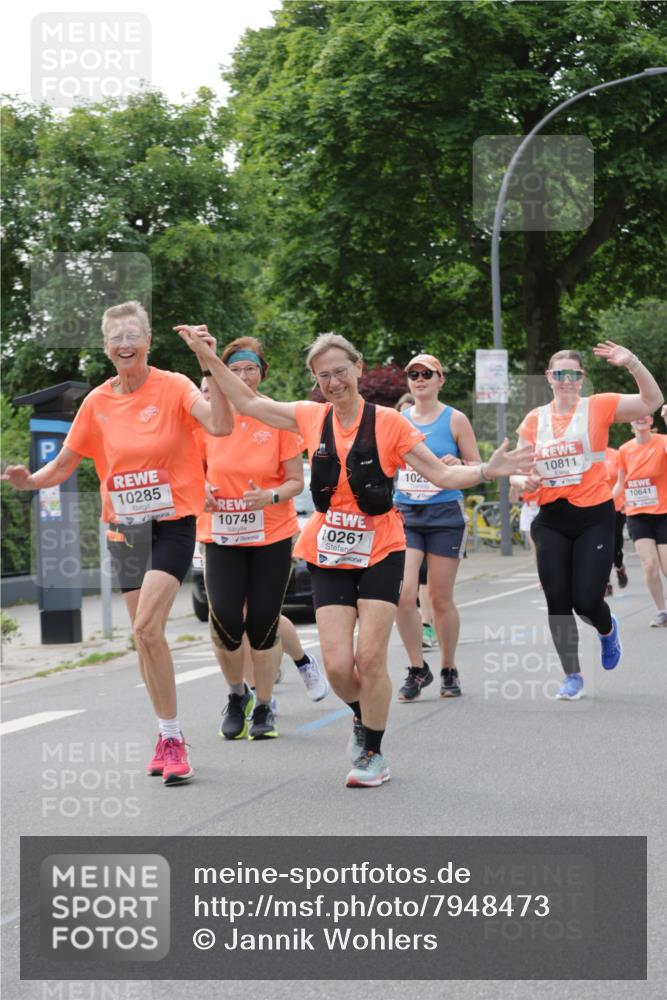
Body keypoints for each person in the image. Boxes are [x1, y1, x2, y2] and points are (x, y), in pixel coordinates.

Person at [175, 325, 532, 787]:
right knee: (340, 667)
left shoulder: (389, 423)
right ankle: (366, 715)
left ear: (358, 368)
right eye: (323, 376)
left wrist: (486, 469)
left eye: (340, 371)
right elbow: (246, 403)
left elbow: (442, 476)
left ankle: (373, 753)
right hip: (327, 552)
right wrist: (207, 357)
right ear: (315, 380)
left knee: (369, 659)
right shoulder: (308, 416)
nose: (333, 382)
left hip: (381, 548)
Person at [2, 302, 233, 784]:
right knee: (143, 639)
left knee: (149, 627)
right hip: (124, 528)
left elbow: (220, 425)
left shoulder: (173, 386)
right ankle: (164, 732)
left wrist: (210, 361)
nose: (124, 344)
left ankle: (172, 738)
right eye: (115, 338)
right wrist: (29, 482)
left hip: (171, 522)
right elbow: (64, 465)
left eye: (132, 335)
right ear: (106, 348)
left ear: (148, 340)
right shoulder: (98, 403)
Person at [512, 342, 663, 701]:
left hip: (594, 517)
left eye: (573, 374)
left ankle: (607, 630)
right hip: (551, 519)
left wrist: (634, 363)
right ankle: (572, 675)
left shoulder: (598, 406)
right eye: (559, 374)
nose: (566, 380)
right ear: (549, 377)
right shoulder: (535, 419)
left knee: (586, 600)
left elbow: (651, 401)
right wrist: (523, 481)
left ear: (582, 378)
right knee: (558, 601)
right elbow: (515, 471)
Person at [196, 339, 329, 743]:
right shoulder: (208, 418)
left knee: (262, 623)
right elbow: (187, 468)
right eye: (233, 369)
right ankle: (238, 695)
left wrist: (268, 496)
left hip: (270, 534)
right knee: (225, 622)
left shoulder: (275, 417)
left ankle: (266, 704)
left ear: (260, 374)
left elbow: (295, 481)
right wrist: (201, 487)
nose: (241, 376)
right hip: (220, 533)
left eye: (249, 369)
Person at [393, 354, 481, 700]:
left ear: (440, 379)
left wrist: (458, 463)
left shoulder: (455, 419)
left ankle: (448, 667)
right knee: (403, 593)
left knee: (441, 599)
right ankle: (417, 668)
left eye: (426, 373)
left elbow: (476, 466)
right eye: (413, 374)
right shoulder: (398, 420)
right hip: (407, 513)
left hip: (445, 514)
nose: (419, 378)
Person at [615, 406, 667, 627]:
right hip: (637, 514)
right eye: (635, 415)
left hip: (663, 512)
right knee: (649, 565)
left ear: (651, 419)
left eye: (645, 415)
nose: (641, 418)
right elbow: (620, 483)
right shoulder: (624, 451)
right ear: (630, 422)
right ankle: (661, 611)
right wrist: (603, 505)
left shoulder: (662, 441)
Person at [395, 391, 435, 648]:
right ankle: (420, 628)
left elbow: (455, 468)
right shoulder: (392, 435)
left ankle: (429, 624)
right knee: (410, 584)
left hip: (438, 513)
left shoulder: (433, 437)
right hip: (406, 514)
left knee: (430, 580)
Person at [603, 446, 628, 596]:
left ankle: (619, 566)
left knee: (615, 545)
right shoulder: (585, 456)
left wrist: (626, 500)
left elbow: (625, 479)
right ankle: (605, 583)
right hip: (595, 507)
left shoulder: (616, 455)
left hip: (617, 506)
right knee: (600, 545)